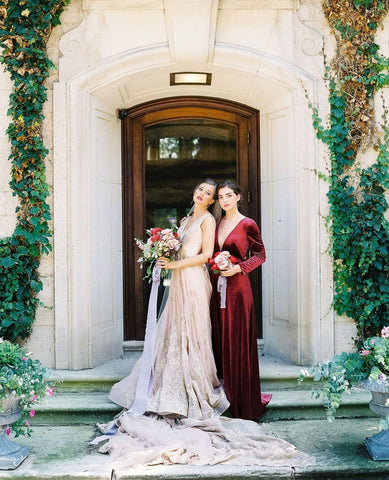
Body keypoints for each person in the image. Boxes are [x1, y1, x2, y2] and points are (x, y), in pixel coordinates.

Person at [92, 179, 315, 470]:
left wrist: (233, 266)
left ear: (235, 198)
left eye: (220, 195)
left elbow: (234, 254)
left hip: (212, 283)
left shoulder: (224, 221)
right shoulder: (192, 219)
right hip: (198, 281)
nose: (215, 197)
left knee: (202, 332)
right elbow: (210, 258)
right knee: (182, 331)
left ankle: (219, 390)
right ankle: (179, 382)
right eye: (211, 192)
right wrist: (165, 253)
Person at [210, 180, 268, 420]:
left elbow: (261, 255)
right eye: (221, 196)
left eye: (229, 195)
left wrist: (239, 268)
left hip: (238, 290)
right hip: (216, 288)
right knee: (218, 336)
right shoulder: (215, 223)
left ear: (238, 197)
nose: (225, 200)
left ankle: (242, 398)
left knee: (237, 339)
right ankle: (221, 394)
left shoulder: (248, 224)